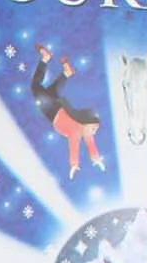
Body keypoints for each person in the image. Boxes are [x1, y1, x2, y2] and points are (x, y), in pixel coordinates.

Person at [30, 45, 105, 179]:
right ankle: (46, 59)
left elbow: (91, 145)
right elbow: (74, 146)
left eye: (95, 130)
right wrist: (74, 165)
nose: (94, 132)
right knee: (35, 87)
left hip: (56, 108)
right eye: (93, 129)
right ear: (85, 123)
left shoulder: (85, 132)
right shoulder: (76, 131)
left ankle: (66, 73)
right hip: (52, 110)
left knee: (50, 93)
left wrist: (96, 159)